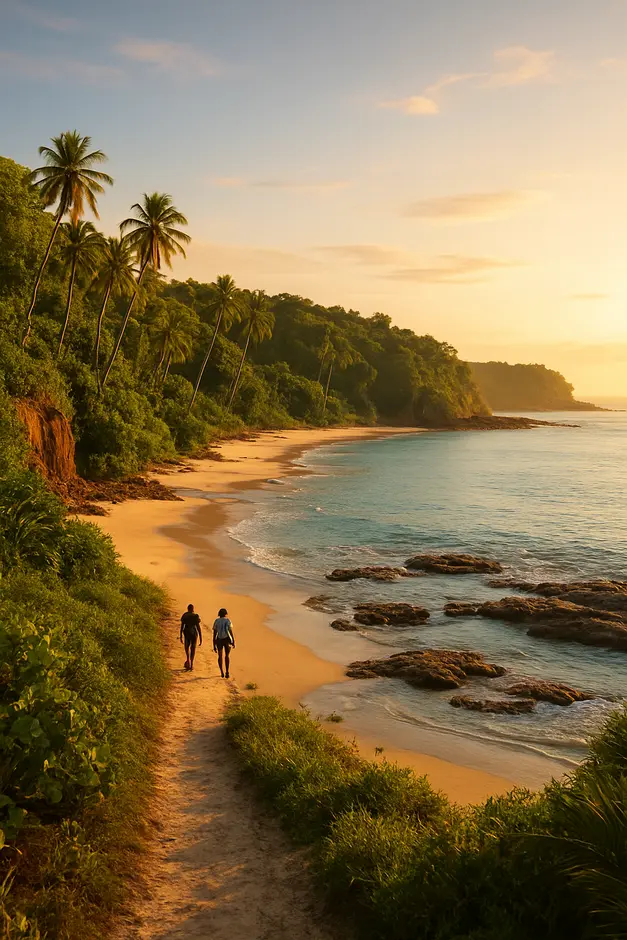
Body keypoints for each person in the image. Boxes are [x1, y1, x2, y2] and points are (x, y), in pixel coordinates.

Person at [213, 607, 235, 678]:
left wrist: (214, 644)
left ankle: (222, 672)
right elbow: (230, 631)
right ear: (226, 614)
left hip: (219, 639)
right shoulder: (228, 620)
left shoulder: (216, 621)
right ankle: (227, 672)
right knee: (227, 656)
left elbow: (215, 633)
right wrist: (233, 641)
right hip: (226, 639)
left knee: (220, 656)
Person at [180, 604, 202, 671]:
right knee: (193, 648)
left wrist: (180, 635)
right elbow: (198, 627)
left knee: (187, 647)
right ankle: (192, 664)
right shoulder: (195, 616)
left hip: (187, 632)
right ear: (193, 609)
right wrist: (201, 637)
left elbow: (182, 626)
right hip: (194, 633)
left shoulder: (185, 615)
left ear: (187, 609)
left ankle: (188, 660)